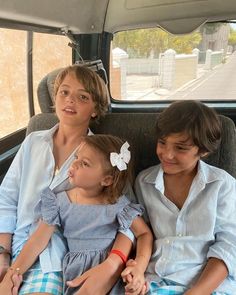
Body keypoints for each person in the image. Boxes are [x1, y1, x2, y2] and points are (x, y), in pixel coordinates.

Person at [0, 65, 143, 295]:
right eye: (64, 92)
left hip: (55, 258)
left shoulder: (105, 157)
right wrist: (3, 256)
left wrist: (113, 264)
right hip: (14, 248)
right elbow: (6, 200)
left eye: (82, 97)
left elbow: (126, 220)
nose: (70, 101)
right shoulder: (33, 142)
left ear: (95, 109)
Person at [0, 134, 153, 295]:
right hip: (76, 273)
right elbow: (38, 241)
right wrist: (12, 273)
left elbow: (144, 233)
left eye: (85, 163)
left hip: (114, 277)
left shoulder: (117, 204)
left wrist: (139, 265)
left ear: (106, 180)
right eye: (76, 157)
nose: (74, 164)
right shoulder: (59, 202)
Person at [134, 100, 236, 294]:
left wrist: (195, 292)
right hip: (156, 281)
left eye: (180, 148)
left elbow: (229, 247)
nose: (167, 154)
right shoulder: (143, 182)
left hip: (210, 285)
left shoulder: (222, 185)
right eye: (162, 142)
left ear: (203, 151)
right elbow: (140, 234)